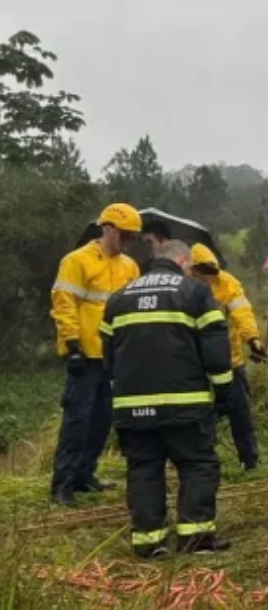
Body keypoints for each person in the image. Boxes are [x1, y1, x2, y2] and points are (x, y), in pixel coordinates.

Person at [100, 239, 234, 558]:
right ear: (183, 260)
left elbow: (108, 355)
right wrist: (225, 394)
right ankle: (196, 538)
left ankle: (149, 542)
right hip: (185, 403)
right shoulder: (195, 293)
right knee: (197, 464)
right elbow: (215, 351)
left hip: (132, 407)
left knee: (143, 468)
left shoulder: (118, 299)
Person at [49, 203, 142, 507]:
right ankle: (63, 484)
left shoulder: (129, 267)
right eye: (125, 235)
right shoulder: (77, 261)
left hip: (115, 358)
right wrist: (72, 345)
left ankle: (86, 474)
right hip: (85, 357)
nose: (128, 242)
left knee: (102, 421)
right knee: (77, 421)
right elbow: (64, 304)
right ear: (108, 229)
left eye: (133, 238)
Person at [189, 244, 265, 470]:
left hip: (229, 359)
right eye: (203, 274)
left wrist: (253, 339)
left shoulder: (228, 283)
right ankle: (201, 459)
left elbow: (242, 312)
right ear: (193, 271)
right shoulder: (184, 287)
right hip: (196, 363)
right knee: (200, 414)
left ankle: (249, 460)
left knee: (240, 412)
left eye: (211, 274)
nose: (208, 279)